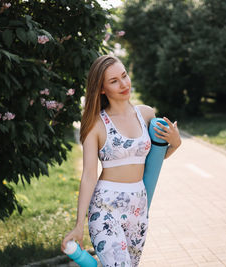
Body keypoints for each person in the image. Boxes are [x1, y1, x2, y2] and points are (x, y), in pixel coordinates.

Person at [61, 55, 181, 266]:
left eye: (124, 76)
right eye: (114, 81)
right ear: (101, 89)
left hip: (139, 208)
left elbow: (153, 161)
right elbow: (89, 175)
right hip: (106, 208)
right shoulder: (95, 124)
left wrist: (175, 144)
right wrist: (79, 224)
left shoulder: (146, 114)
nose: (124, 84)